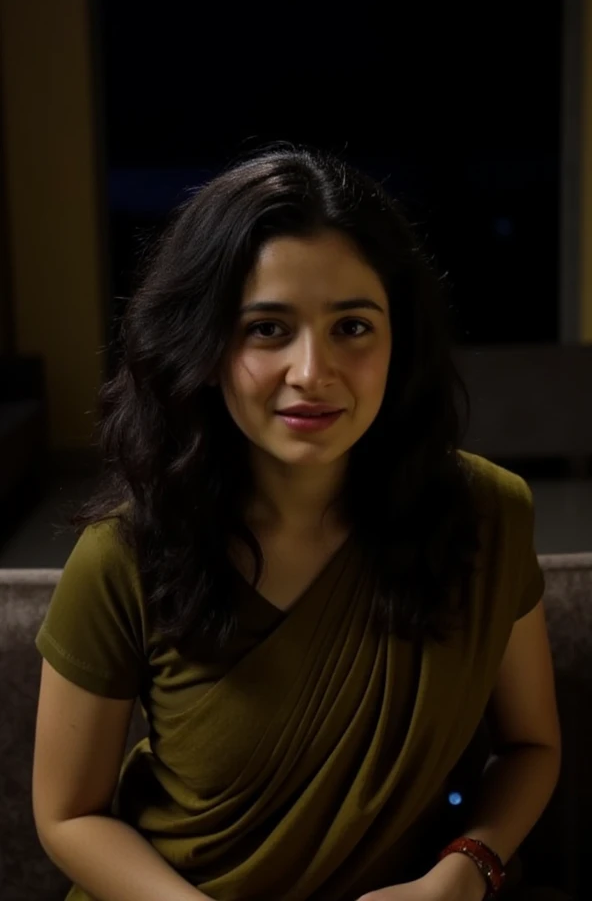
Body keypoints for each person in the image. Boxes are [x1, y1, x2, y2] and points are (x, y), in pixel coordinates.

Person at [32, 146, 567, 901]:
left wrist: (465, 873)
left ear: (398, 341)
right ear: (205, 344)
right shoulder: (125, 555)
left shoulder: (486, 516)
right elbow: (67, 815)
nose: (312, 371)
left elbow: (531, 746)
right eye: (267, 329)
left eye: (352, 327)